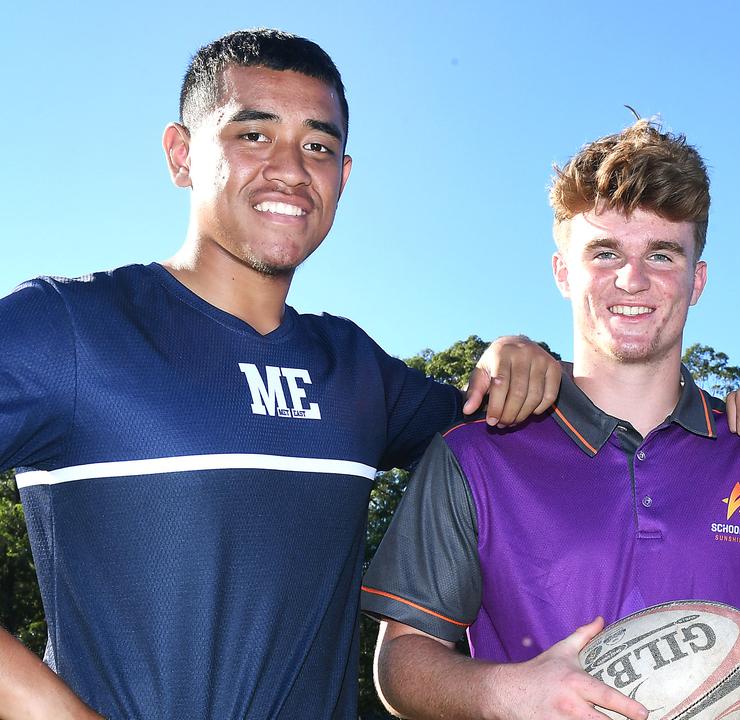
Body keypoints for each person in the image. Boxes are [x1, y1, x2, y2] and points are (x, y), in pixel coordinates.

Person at [0, 29, 566, 719]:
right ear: (181, 156)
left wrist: (522, 354)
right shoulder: (68, 326)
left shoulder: (359, 371)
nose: (291, 170)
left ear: (344, 177)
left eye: (318, 146)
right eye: (254, 137)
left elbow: (534, 433)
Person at [360, 118, 740, 719]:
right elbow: (400, 664)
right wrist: (510, 693)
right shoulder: (474, 454)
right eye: (605, 253)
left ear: (697, 279)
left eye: (662, 254)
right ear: (563, 272)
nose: (633, 279)